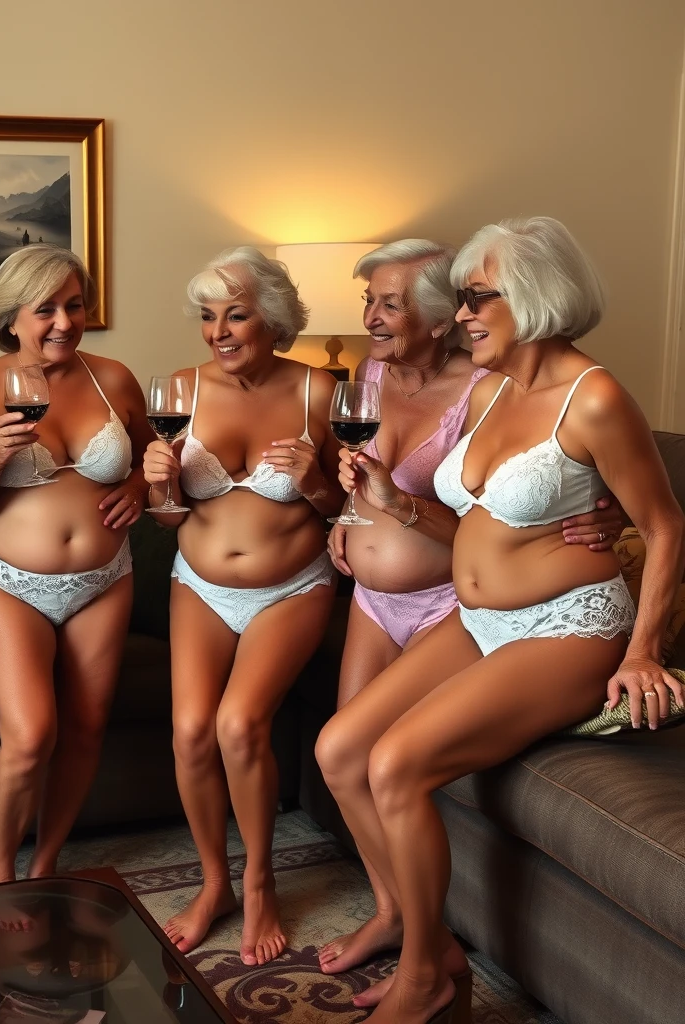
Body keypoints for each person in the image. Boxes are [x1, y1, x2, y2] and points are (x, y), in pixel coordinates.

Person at [315, 216, 684, 1024]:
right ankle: (432, 939)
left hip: (568, 626)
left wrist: (645, 652)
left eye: (478, 296)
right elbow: (472, 532)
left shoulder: (596, 398)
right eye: (462, 298)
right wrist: (393, 504)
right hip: (482, 622)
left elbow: (663, 525)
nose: (463, 314)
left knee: (396, 765)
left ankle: (427, 978)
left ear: (536, 295)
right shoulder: (494, 391)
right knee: (339, 749)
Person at [143, 247, 344, 966]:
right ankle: (213, 883)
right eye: (207, 316)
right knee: (192, 730)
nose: (220, 331)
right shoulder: (177, 389)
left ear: (275, 319)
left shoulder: (320, 392)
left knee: (237, 723)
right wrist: (160, 486)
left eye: (237, 314)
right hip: (198, 584)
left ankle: (259, 883)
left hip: (291, 588)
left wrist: (316, 478)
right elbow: (165, 516)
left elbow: (342, 510)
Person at [0, 244, 151, 886]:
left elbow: (152, 457)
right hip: (8, 584)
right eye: (46, 309)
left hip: (103, 580)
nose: (64, 321)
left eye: (75, 305)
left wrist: (139, 487)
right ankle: (0, 876)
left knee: (86, 730)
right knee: (30, 736)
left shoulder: (114, 378)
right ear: (11, 317)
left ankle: (46, 863)